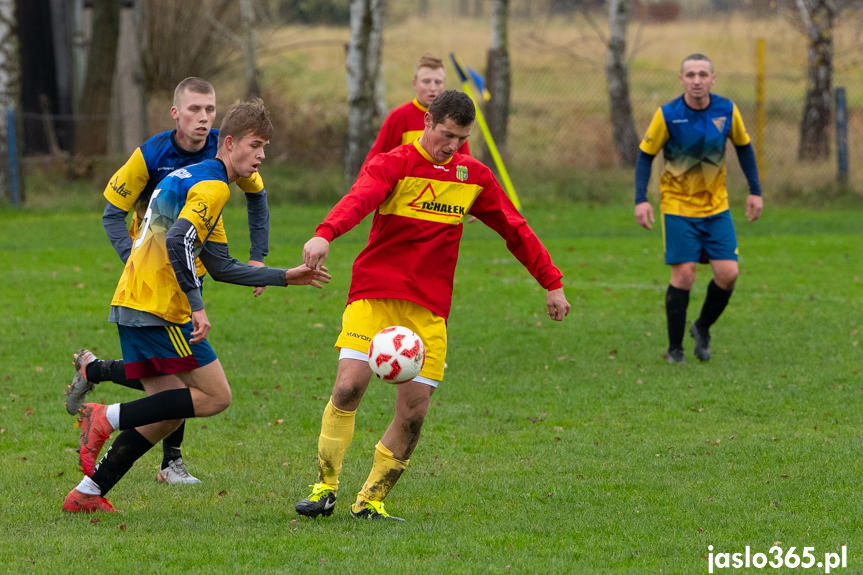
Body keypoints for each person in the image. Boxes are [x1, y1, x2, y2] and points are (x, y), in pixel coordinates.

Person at [294, 90, 570, 521]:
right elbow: (360, 199)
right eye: (446, 135)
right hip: (376, 294)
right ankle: (324, 488)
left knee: (415, 411)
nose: (453, 146)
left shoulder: (472, 177)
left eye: (461, 138)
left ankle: (370, 501)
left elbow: (514, 228)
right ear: (427, 122)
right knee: (348, 387)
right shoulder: (394, 164)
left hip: (427, 308)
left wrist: (551, 282)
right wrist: (325, 233)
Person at [62, 99, 331, 513]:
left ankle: (87, 494)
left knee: (166, 413)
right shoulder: (213, 186)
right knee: (215, 396)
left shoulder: (200, 182)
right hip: (161, 307)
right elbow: (177, 241)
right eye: (255, 145)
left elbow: (221, 265)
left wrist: (282, 276)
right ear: (229, 143)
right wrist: (196, 305)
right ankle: (105, 417)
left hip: (135, 302)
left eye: (265, 148)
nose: (261, 156)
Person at [64, 77, 272, 485]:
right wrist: (136, 260)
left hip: (185, 269)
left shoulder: (226, 149)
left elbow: (257, 198)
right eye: (194, 109)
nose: (203, 118)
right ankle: (155, 452)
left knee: (171, 385)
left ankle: (94, 486)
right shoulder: (152, 153)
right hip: (154, 282)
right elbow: (112, 212)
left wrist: (259, 259)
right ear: (176, 113)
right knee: (191, 387)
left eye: (210, 110)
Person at [634, 53, 763, 364]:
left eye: (702, 74)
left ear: (712, 79)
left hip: (716, 206)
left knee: (728, 274)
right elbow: (645, 156)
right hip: (677, 206)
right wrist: (641, 199)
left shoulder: (727, 110)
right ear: (681, 80)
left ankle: (702, 326)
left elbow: (744, 147)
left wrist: (755, 191)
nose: (696, 80)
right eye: (690, 74)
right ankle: (675, 349)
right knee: (685, 275)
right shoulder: (667, 115)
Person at [362, 53, 469, 167]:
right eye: (426, 81)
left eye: (438, 82)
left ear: (444, 84)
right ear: (415, 83)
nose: (432, 88)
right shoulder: (399, 117)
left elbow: (466, 165)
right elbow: (374, 162)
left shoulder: (455, 119)